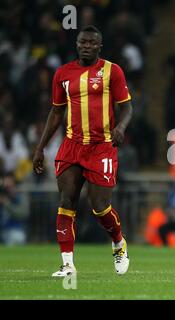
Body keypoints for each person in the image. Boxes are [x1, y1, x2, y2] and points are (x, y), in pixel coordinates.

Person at [32, 26, 133, 277]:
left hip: (102, 147)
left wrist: (121, 127)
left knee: (99, 207)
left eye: (91, 43)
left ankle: (119, 243)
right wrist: (40, 147)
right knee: (67, 202)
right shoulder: (63, 73)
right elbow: (56, 113)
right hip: (72, 145)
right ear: (77, 44)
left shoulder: (112, 71)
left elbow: (127, 107)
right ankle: (67, 265)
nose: (86, 46)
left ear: (100, 46)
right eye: (82, 42)